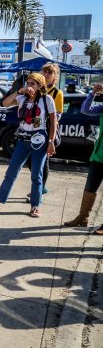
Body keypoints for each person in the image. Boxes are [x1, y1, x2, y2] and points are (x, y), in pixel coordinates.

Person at [0, 73, 57, 218]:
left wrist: (51, 142)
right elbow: (5, 103)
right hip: (22, 139)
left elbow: (54, 122)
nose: (29, 86)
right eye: (28, 83)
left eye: (33, 84)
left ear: (40, 86)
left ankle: (35, 206)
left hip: (39, 139)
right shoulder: (22, 98)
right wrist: (19, 91)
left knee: (36, 175)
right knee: (11, 172)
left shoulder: (47, 99)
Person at [64, 82, 103, 234]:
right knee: (90, 188)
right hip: (99, 155)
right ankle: (82, 217)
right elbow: (85, 109)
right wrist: (92, 93)